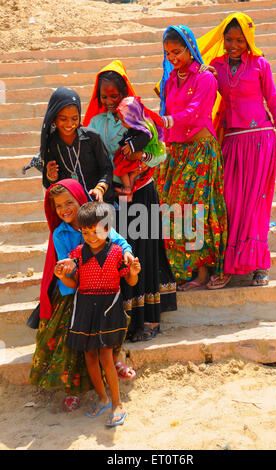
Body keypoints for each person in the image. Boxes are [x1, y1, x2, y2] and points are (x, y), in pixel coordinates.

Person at [195, 13, 276, 288]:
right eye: (229, 39)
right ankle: (229, 265)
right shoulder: (216, 66)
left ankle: (259, 265)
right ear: (223, 39)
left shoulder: (261, 64)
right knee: (231, 203)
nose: (234, 44)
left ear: (248, 39)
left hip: (261, 141)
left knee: (255, 205)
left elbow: (272, 100)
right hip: (232, 141)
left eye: (240, 39)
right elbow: (201, 93)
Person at [83, 60, 177, 342]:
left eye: (115, 95)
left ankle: (148, 320)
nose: (110, 101)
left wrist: (141, 158)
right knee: (120, 255)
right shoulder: (95, 124)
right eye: (104, 96)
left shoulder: (138, 114)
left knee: (143, 254)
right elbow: (93, 161)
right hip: (115, 198)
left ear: (124, 92)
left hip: (144, 194)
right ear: (98, 97)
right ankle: (123, 321)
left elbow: (160, 153)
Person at [29, 179, 136, 411]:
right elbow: (69, 262)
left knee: (109, 331)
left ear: (80, 199)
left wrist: (126, 253)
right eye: (58, 206)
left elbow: (118, 240)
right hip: (74, 292)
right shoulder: (60, 232)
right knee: (72, 344)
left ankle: (116, 363)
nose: (64, 209)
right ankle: (73, 389)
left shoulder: (99, 220)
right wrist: (66, 269)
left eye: (69, 202)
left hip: (102, 288)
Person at [155, 25, 228, 291]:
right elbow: (167, 111)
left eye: (177, 51)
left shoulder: (206, 77)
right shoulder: (171, 79)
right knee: (171, 208)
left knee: (196, 209)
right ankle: (181, 269)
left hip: (200, 151)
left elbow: (196, 111)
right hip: (176, 151)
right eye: (167, 53)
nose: (172, 58)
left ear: (190, 48)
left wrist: (167, 120)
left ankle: (201, 272)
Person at [56, 201, 141, 426]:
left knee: (106, 356)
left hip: (108, 306)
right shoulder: (78, 253)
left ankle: (117, 403)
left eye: (96, 231)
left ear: (108, 228)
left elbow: (130, 280)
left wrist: (133, 272)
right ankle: (102, 398)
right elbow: (73, 284)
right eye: (86, 232)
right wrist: (62, 276)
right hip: (85, 306)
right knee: (90, 356)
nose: (91, 237)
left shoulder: (116, 252)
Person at [39, 86, 114, 203]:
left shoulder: (92, 137)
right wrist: (51, 177)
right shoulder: (52, 145)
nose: (70, 124)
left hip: (100, 203)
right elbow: (54, 184)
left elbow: (107, 169)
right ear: (54, 120)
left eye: (75, 118)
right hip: (73, 208)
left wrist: (100, 188)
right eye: (63, 119)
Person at [113, 96, 166, 201]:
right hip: (135, 160)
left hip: (139, 161)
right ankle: (129, 192)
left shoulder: (145, 130)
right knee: (130, 174)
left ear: (133, 119)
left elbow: (144, 138)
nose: (122, 125)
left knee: (122, 170)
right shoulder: (135, 127)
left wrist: (131, 147)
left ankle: (128, 189)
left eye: (124, 122)